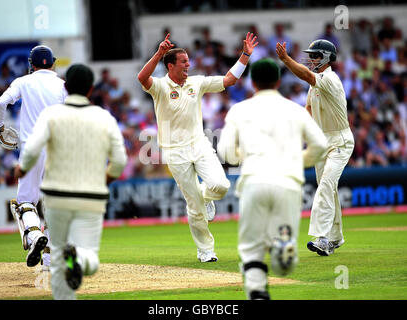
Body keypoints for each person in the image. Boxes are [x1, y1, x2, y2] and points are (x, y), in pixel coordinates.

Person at [137, 32, 258, 262]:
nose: (188, 65)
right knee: (194, 207)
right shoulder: (160, 87)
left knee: (220, 186)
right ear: (170, 66)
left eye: (188, 61)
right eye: (183, 62)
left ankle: (206, 196)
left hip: (199, 144)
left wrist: (244, 55)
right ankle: (206, 250)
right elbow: (142, 78)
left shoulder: (197, 82)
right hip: (174, 151)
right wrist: (159, 53)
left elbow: (229, 80)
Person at [14, 64, 127, 300]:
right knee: (89, 260)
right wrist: (103, 180)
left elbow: (31, 152)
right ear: (91, 89)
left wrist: (22, 168)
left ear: (66, 87)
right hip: (91, 195)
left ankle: (62, 258)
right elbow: (118, 161)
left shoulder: (50, 115)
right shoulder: (103, 117)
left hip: (58, 194)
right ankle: (74, 257)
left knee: (57, 257)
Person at [217, 58, 327, 300]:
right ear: (278, 81)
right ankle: (283, 248)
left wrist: (243, 157)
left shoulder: (239, 109)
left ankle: (256, 291)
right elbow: (320, 145)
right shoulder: (295, 109)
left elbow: (225, 151)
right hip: (288, 182)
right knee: (282, 250)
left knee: (251, 246)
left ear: (252, 83)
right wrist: (297, 160)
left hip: (254, 181)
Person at [276, 39, 355, 256]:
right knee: (328, 188)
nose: (311, 59)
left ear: (327, 58)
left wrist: (285, 59)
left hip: (340, 140)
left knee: (326, 185)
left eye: (315, 56)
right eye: (310, 56)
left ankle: (321, 238)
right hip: (322, 141)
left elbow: (307, 76)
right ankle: (335, 238)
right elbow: (309, 109)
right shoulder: (315, 85)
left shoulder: (329, 79)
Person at [0, 45, 67, 269]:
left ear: (31, 64)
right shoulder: (63, 85)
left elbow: (0, 103)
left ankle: (35, 237)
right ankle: (48, 260)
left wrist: (0, 129)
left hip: (32, 147)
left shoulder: (23, 82)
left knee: (26, 201)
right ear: (53, 63)